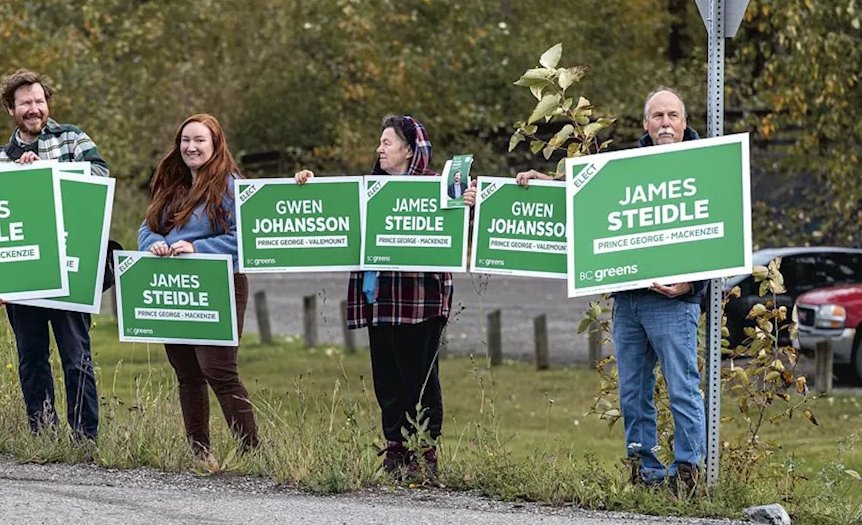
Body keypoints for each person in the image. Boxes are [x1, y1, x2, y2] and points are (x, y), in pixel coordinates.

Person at [471, 87, 705, 490]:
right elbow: (589, 199)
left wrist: (692, 283)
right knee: (633, 394)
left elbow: (719, 235)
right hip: (630, 301)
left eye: (672, 116)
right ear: (646, 123)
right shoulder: (624, 166)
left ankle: (689, 476)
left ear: (684, 122)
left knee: (682, 389)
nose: (665, 124)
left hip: (673, 303)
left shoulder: (706, 166)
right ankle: (645, 473)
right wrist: (548, 185)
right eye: (657, 117)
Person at [295, 115, 450, 478]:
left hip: (419, 301)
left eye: (387, 143)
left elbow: (464, 228)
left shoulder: (438, 188)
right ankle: (395, 452)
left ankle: (424, 456)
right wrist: (310, 185)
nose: (379, 149)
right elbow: (331, 210)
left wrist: (469, 202)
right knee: (388, 382)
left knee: (420, 382)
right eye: (380, 143)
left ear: (410, 150)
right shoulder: (369, 189)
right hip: (378, 299)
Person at [0, 69, 107, 440]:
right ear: (11, 109)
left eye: (39, 101)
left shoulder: (72, 137)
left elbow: (101, 175)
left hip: (69, 269)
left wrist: (47, 171)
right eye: (25, 103)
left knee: (76, 357)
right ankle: (42, 433)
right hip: (23, 278)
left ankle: (84, 437)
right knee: (32, 360)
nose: (34, 108)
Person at [138, 114, 258, 459]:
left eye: (199, 140)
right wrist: (154, 245)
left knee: (219, 370)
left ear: (215, 144)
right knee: (187, 374)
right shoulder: (172, 184)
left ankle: (252, 454)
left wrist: (198, 248)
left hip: (220, 284)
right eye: (185, 140)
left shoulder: (231, 186)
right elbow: (147, 227)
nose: (191, 147)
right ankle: (200, 455)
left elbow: (247, 237)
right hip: (175, 286)